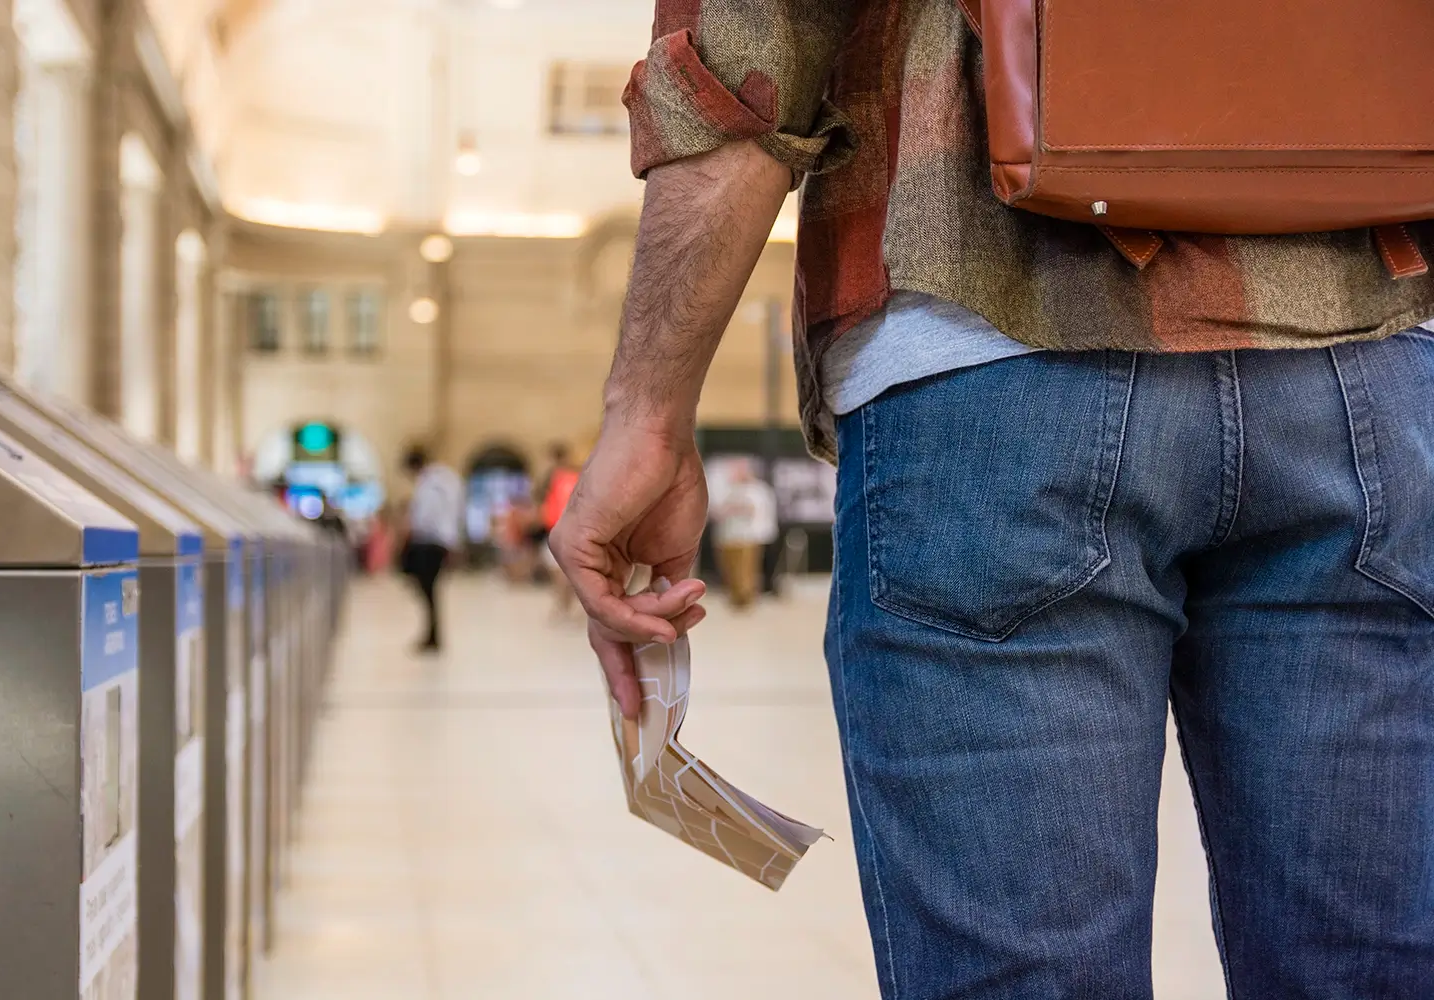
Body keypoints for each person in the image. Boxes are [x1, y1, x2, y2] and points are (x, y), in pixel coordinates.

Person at [547, 3, 1434, 996]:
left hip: (994, 334)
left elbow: (752, 48)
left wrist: (650, 410)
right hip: (1371, 356)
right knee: (1378, 966)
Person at [400, 446, 463, 653]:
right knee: (431, 593)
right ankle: (432, 634)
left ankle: (432, 636)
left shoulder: (429, 484)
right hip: (442, 542)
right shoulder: (445, 478)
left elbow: (425, 516)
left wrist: (410, 531)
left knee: (428, 592)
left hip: (429, 542)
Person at [710, 459, 778, 610]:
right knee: (731, 570)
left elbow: (753, 510)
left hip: (748, 536)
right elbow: (717, 511)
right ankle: (735, 597)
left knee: (747, 570)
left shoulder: (757, 490)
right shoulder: (728, 489)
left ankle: (747, 598)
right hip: (728, 536)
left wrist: (734, 509)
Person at [537, 443, 581, 618]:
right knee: (563, 572)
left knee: (562, 572)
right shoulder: (572, 477)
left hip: (560, 530)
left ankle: (563, 607)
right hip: (563, 529)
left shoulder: (562, 479)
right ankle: (563, 606)